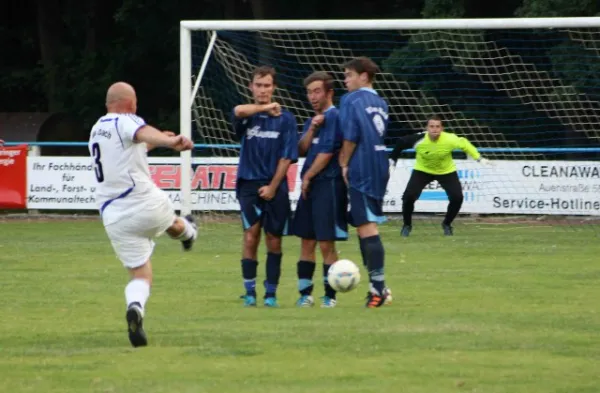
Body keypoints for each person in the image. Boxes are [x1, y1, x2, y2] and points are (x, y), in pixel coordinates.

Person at [88, 82, 197, 348]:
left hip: (114, 217)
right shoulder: (125, 120)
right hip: (144, 203)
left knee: (140, 275)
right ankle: (190, 233)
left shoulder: (96, 129)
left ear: (107, 103)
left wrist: (152, 144)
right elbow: (142, 130)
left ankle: (136, 306)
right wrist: (170, 141)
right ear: (131, 104)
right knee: (171, 221)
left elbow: (127, 150)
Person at [232, 66, 299, 308]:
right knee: (251, 237)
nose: (262, 89)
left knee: (274, 239)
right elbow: (238, 110)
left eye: (267, 85)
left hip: (276, 185)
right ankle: (249, 293)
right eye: (258, 85)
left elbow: (287, 157)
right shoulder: (247, 114)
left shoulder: (286, 119)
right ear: (251, 87)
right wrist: (264, 108)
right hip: (248, 184)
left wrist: (272, 186)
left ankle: (271, 294)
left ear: (274, 88)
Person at [291, 71, 347, 308]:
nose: (312, 97)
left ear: (329, 93)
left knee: (326, 243)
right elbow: (300, 150)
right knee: (306, 241)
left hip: (328, 185)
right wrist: (312, 129)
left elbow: (326, 154)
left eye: (317, 91)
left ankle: (330, 296)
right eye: (309, 92)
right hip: (310, 188)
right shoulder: (313, 120)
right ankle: (305, 294)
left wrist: (308, 177)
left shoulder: (335, 117)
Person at [338, 57, 391, 308]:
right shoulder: (381, 102)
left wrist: (344, 163)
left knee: (367, 227)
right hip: (380, 164)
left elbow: (350, 135)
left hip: (362, 166)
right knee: (361, 222)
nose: (345, 80)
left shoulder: (351, 100)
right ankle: (378, 285)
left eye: (349, 75)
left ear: (364, 77)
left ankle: (378, 289)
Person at [389, 115, 492, 237]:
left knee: (457, 197)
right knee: (408, 197)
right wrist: (392, 161)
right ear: (427, 128)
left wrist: (479, 158)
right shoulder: (418, 139)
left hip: (446, 171)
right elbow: (400, 143)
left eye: (437, 126)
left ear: (442, 128)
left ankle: (447, 224)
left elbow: (465, 144)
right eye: (432, 126)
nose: (435, 129)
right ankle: (407, 225)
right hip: (423, 170)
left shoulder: (450, 139)